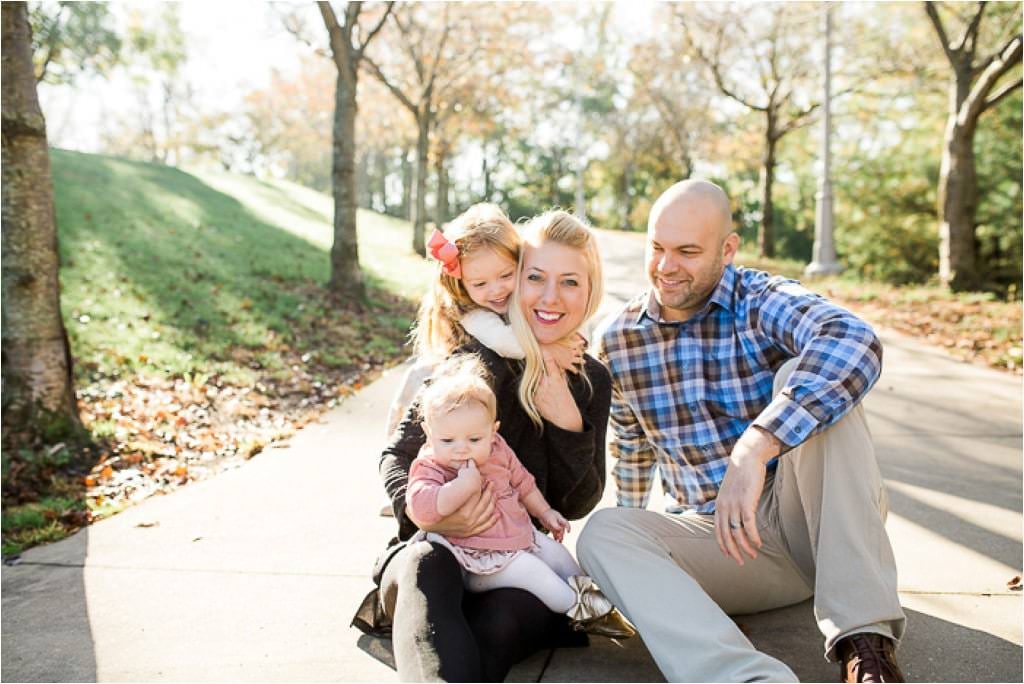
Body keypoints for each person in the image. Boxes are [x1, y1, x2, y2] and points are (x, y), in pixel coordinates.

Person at [578, 179, 906, 683]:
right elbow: (632, 452)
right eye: (658, 248)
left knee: (807, 379)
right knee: (603, 533)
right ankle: (744, 677)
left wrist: (756, 445)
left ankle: (866, 644)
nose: (667, 267)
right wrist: (632, 570)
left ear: (727, 250)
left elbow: (852, 337)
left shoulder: (759, 299)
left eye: (688, 251)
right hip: (729, 548)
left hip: (817, 522)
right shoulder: (619, 339)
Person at [354, 209, 614, 682]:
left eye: (570, 282)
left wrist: (567, 422)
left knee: (498, 623)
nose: (550, 296)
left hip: (517, 560)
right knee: (427, 565)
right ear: (518, 280)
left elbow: (576, 503)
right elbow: (396, 458)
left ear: (590, 289)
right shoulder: (475, 363)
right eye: (535, 277)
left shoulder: (590, 379)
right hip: (437, 555)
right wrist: (430, 513)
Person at [407, 353, 632, 633]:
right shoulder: (431, 465)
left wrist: (545, 512)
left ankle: (594, 598)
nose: (461, 448)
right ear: (429, 432)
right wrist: (459, 487)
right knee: (533, 573)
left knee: (558, 556)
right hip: (477, 559)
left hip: (517, 535)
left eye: (474, 439)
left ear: (493, 430)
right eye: (447, 440)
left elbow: (523, 482)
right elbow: (422, 507)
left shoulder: (498, 448)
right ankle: (580, 611)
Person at [385, 203, 582, 439]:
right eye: (480, 284)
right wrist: (548, 351)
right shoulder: (472, 313)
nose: (496, 290)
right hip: (457, 385)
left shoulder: (520, 297)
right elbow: (506, 343)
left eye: (506, 275)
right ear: (462, 285)